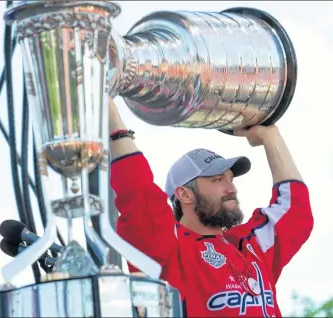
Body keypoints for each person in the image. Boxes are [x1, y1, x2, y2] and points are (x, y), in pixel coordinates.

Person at [109, 99, 314, 317]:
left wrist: (270, 136)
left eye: (231, 179)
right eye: (217, 180)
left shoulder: (249, 245)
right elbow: (139, 196)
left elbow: (295, 211)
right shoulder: (172, 248)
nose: (231, 188)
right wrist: (112, 116)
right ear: (184, 194)